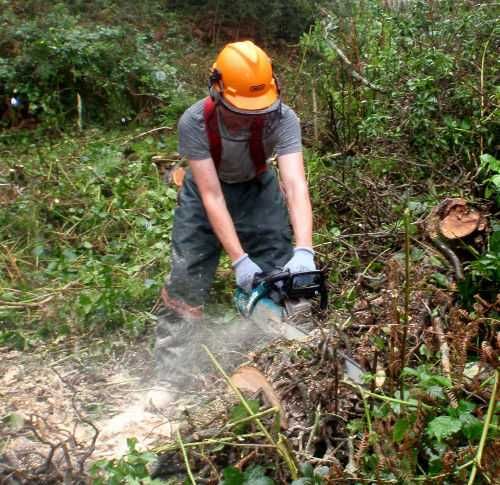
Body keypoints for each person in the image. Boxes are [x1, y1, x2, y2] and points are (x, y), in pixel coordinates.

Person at [154, 40, 316, 393]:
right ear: (217, 91)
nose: (250, 118)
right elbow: (212, 196)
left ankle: (269, 364)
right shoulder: (195, 121)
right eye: (241, 109)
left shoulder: (284, 119)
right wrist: (239, 260)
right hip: (205, 193)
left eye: (258, 110)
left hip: (257, 187)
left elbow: (295, 183)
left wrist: (304, 250)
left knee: (277, 270)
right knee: (187, 275)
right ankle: (170, 377)